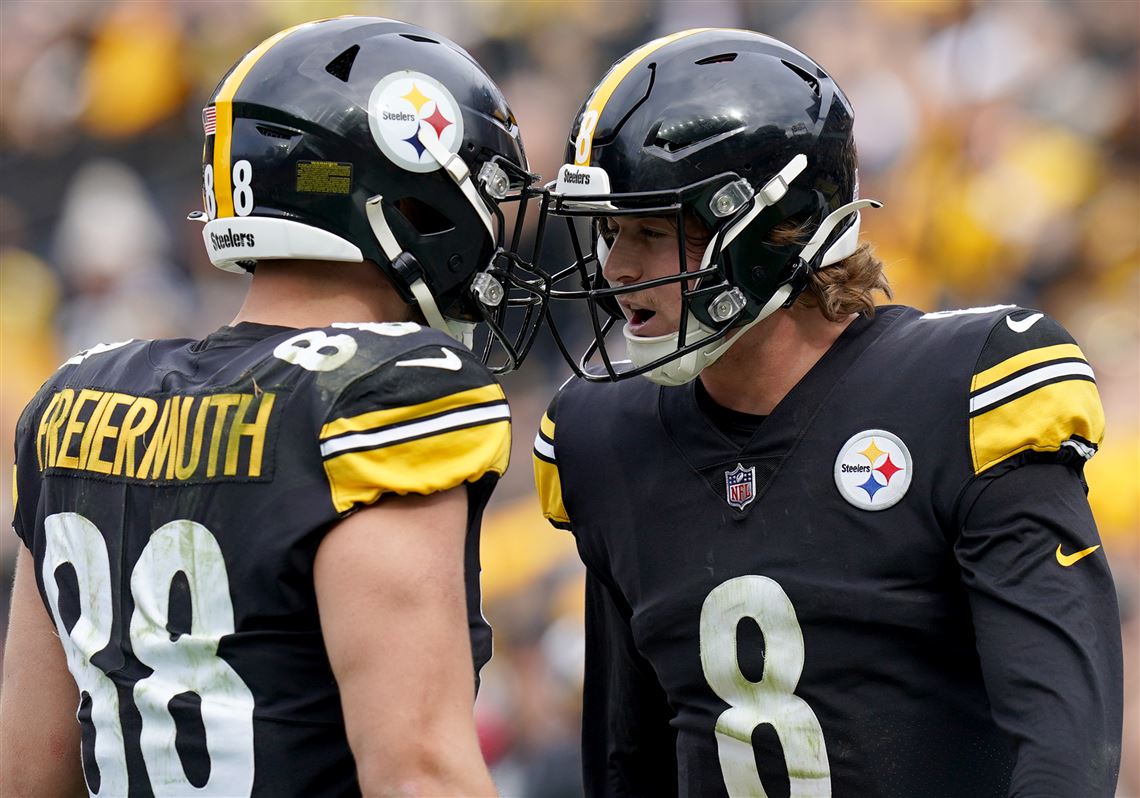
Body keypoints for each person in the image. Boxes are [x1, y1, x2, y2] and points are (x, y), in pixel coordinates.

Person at [532, 28, 1123, 797]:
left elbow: (1065, 753)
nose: (616, 271)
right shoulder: (602, 436)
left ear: (772, 231)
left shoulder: (960, 391)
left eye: (649, 231)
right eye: (611, 233)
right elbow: (626, 765)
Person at [1, 16, 546, 797]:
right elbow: (419, 772)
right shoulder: (384, 391)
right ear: (411, 197)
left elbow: (27, 776)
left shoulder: (75, 398)